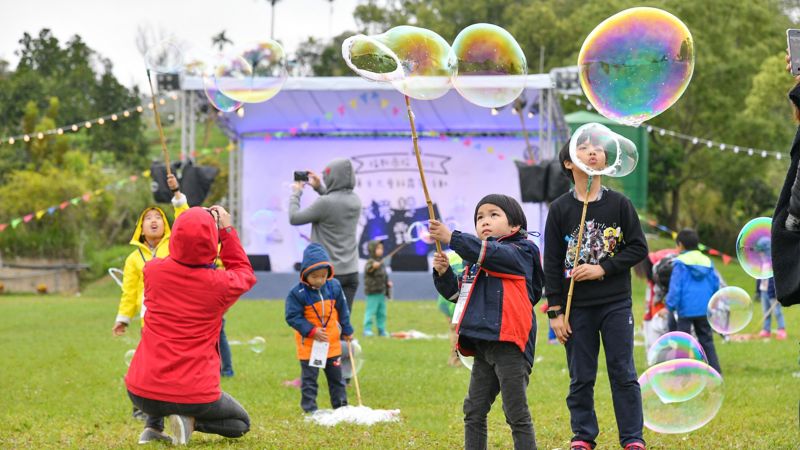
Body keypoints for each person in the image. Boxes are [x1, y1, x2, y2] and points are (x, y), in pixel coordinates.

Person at [545, 136, 649, 450]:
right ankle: (583, 436)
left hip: (615, 303)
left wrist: (602, 268)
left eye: (598, 148)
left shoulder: (620, 204)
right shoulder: (560, 208)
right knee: (581, 376)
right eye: (583, 147)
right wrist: (555, 311)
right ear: (568, 163)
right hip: (576, 308)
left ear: (605, 162)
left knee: (623, 371)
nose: (593, 151)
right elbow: (551, 262)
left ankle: (632, 438)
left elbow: (638, 248)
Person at [125, 206, 257, 445]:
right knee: (241, 424)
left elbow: (179, 256)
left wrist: (193, 222)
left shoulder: (152, 271)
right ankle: (189, 421)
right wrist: (226, 231)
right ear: (211, 241)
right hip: (195, 396)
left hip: (141, 393)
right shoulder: (220, 285)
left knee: (161, 369)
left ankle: (153, 427)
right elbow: (244, 272)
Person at [429, 194, 543, 450]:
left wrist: (452, 238)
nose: (484, 221)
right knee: (473, 409)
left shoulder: (522, 252)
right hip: (483, 345)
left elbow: (495, 255)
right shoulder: (478, 261)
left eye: (494, 215)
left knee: (515, 413)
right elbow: (457, 295)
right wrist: (444, 273)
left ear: (515, 226)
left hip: (511, 345)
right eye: (480, 217)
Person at [112, 174, 187, 421]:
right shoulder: (133, 259)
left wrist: (177, 196)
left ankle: (175, 405)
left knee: (176, 363)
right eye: (148, 219)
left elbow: (187, 222)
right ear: (141, 230)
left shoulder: (174, 246)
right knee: (150, 363)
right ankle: (141, 407)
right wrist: (123, 318)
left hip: (177, 315)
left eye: (159, 218)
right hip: (150, 319)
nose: (154, 221)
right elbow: (129, 291)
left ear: (166, 227)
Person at [285, 243, 354, 413]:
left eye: (324, 276)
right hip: (311, 346)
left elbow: (343, 309)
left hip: (332, 344)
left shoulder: (335, 286)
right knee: (309, 379)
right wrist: (312, 331)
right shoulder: (297, 293)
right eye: (315, 276)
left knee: (337, 379)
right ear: (305, 274)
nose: (319, 280)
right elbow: (292, 317)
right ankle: (310, 409)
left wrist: (347, 329)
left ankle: (341, 407)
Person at [288, 159, 362, 314]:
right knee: (343, 325)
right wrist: (319, 188)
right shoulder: (355, 200)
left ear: (332, 177)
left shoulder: (325, 203)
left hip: (327, 274)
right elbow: (336, 202)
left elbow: (294, 218)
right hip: (351, 272)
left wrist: (296, 193)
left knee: (324, 326)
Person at [660, 229, 722, 374]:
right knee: (707, 341)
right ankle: (715, 371)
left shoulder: (680, 263)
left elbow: (675, 287)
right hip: (704, 309)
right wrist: (713, 305)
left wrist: (669, 307)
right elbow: (715, 285)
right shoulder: (708, 262)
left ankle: (681, 372)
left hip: (686, 311)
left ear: (680, 245)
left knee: (683, 343)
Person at [634, 249, 678, 350]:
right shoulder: (653, 271)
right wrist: (647, 316)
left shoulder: (661, 262)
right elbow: (651, 295)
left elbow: (673, 285)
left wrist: (660, 299)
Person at [436, 250, 465, 367]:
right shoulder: (473, 257)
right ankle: (456, 361)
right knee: (459, 332)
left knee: (455, 330)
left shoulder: (449, 256)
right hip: (459, 300)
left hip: (446, 300)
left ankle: (455, 360)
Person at [363, 240, 393, 337]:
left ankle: (381, 329)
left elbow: (383, 276)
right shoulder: (370, 262)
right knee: (371, 311)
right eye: (378, 248)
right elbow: (368, 269)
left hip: (381, 292)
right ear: (372, 250)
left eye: (381, 248)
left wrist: (387, 283)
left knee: (381, 312)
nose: (380, 250)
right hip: (373, 292)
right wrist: (373, 266)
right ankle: (367, 329)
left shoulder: (381, 263)